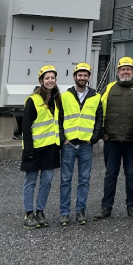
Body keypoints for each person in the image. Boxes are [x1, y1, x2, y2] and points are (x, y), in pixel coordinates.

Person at [94, 56, 133, 220]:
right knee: (110, 174)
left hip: (132, 141)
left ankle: (132, 207)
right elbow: (98, 112)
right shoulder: (109, 88)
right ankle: (106, 207)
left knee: (131, 174)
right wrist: (102, 132)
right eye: (123, 69)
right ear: (118, 71)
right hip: (112, 141)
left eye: (128, 69)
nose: (125, 71)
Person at [59, 62, 103, 226]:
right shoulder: (65, 96)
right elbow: (60, 118)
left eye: (85, 75)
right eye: (80, 75)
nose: (82, 78)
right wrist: (63, 138)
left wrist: (94, 138)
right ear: (74, 77)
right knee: (66, 179)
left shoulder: (96, 96)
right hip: (69, 145)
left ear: (89, 77)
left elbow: (99, 120)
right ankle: (64, 212)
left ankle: (80, 211)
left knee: (84, 179)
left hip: (86, 145)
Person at [21, 64, 64, 229]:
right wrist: (28, 149)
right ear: (41, 81)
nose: (50, 80)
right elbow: (26, 127)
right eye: (47, 78)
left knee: (46, 182)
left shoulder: (56, 99)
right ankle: (28, 213)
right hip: (35, 148)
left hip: (51, 149)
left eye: (52, 78)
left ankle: (40, 211)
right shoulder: (33, 100)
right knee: (30, 181)